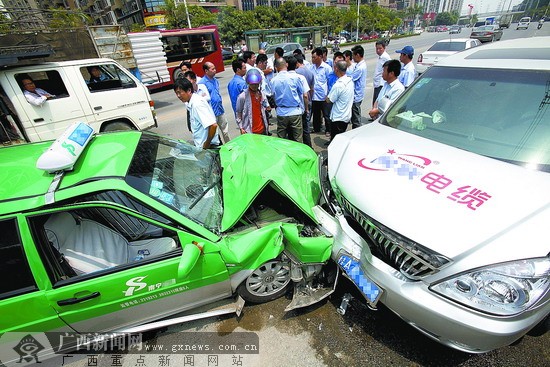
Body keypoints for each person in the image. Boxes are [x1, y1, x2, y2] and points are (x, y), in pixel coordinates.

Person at [173, 78, 220, 149]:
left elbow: (213, 126)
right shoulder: (191, 103)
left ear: (189, 90)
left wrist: (206, 145)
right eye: (176, 93)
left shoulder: (197, 104)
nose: (178, 96)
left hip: (209, 148)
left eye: (180, 92)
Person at [271, 57, 305, 142]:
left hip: (281, 112)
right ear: (286, 64)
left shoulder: (273, 80)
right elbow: (302, 93)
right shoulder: (295, 78)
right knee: (298, 139)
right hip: (295, 111)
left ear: (276, 67)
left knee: (281, 139)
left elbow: (273, 96)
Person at [198, 62, 231, 143]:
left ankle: (229, 146)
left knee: (225, 131)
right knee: (214, 133)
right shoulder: (202, 83)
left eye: (215, 68)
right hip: (211, 112)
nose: (215, 70)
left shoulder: (215, 80)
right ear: (206, 71)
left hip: (220, 110)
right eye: (212, 69)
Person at [235, 69, 270, 135]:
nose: (254, 86)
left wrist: (267, 107)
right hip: (249, 130)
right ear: (248, 83)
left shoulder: (262, 94)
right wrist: (241, 127)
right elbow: (238, 113)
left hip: (262, 128)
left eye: (256, 84)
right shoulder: (242, 96)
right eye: (252, 84)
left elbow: (266, 105)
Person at [326, 60, 354, 141]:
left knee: (335, 141)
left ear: (336, 69)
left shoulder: (339, 85)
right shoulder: (349, 81)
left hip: (338, 118)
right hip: (346, 116)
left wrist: (326, 97)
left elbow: (330, 100)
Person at [287, 55, 310, 145]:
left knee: (290, 134)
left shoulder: (281, 78)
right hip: (299, 110)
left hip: (286, 111)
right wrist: (307, 109)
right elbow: (305, 95)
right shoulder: (300, 78)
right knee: (302, 132)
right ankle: (308, 149)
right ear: (296, 65)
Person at [308, 47, 332, 135]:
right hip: (314, 95)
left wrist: (328, 94)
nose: (312, 59)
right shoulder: (311, 68)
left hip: (324, 96)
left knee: (326, 115)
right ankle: (316, 128)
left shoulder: (327, 68)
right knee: (316, 114)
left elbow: (330, 82)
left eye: (314, 57)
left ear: (320, 56)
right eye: (312, 57)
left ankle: (328, 130)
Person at [295, 54, 314, 147]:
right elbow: (311, 89)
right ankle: (309, 147)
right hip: (309, 101)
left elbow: (304, 94)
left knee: (298, 128)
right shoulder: (310, 72)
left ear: (297, 62)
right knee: (306, 127)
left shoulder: (296, 73)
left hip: (301, 103)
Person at [350, 45, 367, 129]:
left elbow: (351, 78)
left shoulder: (360, 68)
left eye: (353, 55)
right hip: (358, 94)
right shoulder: (360, 65)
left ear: (357, 55)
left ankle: (356, 131)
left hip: (356, 96)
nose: (352, 57)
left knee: (356, 118)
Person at [372, 41, 391, 105]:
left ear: (384, 48)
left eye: (380, 48)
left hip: (381, 84)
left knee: (377, 103)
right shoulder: (381, 57)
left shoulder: (385, 57)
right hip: (377, 83)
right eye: (377, 49)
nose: (378, 50)